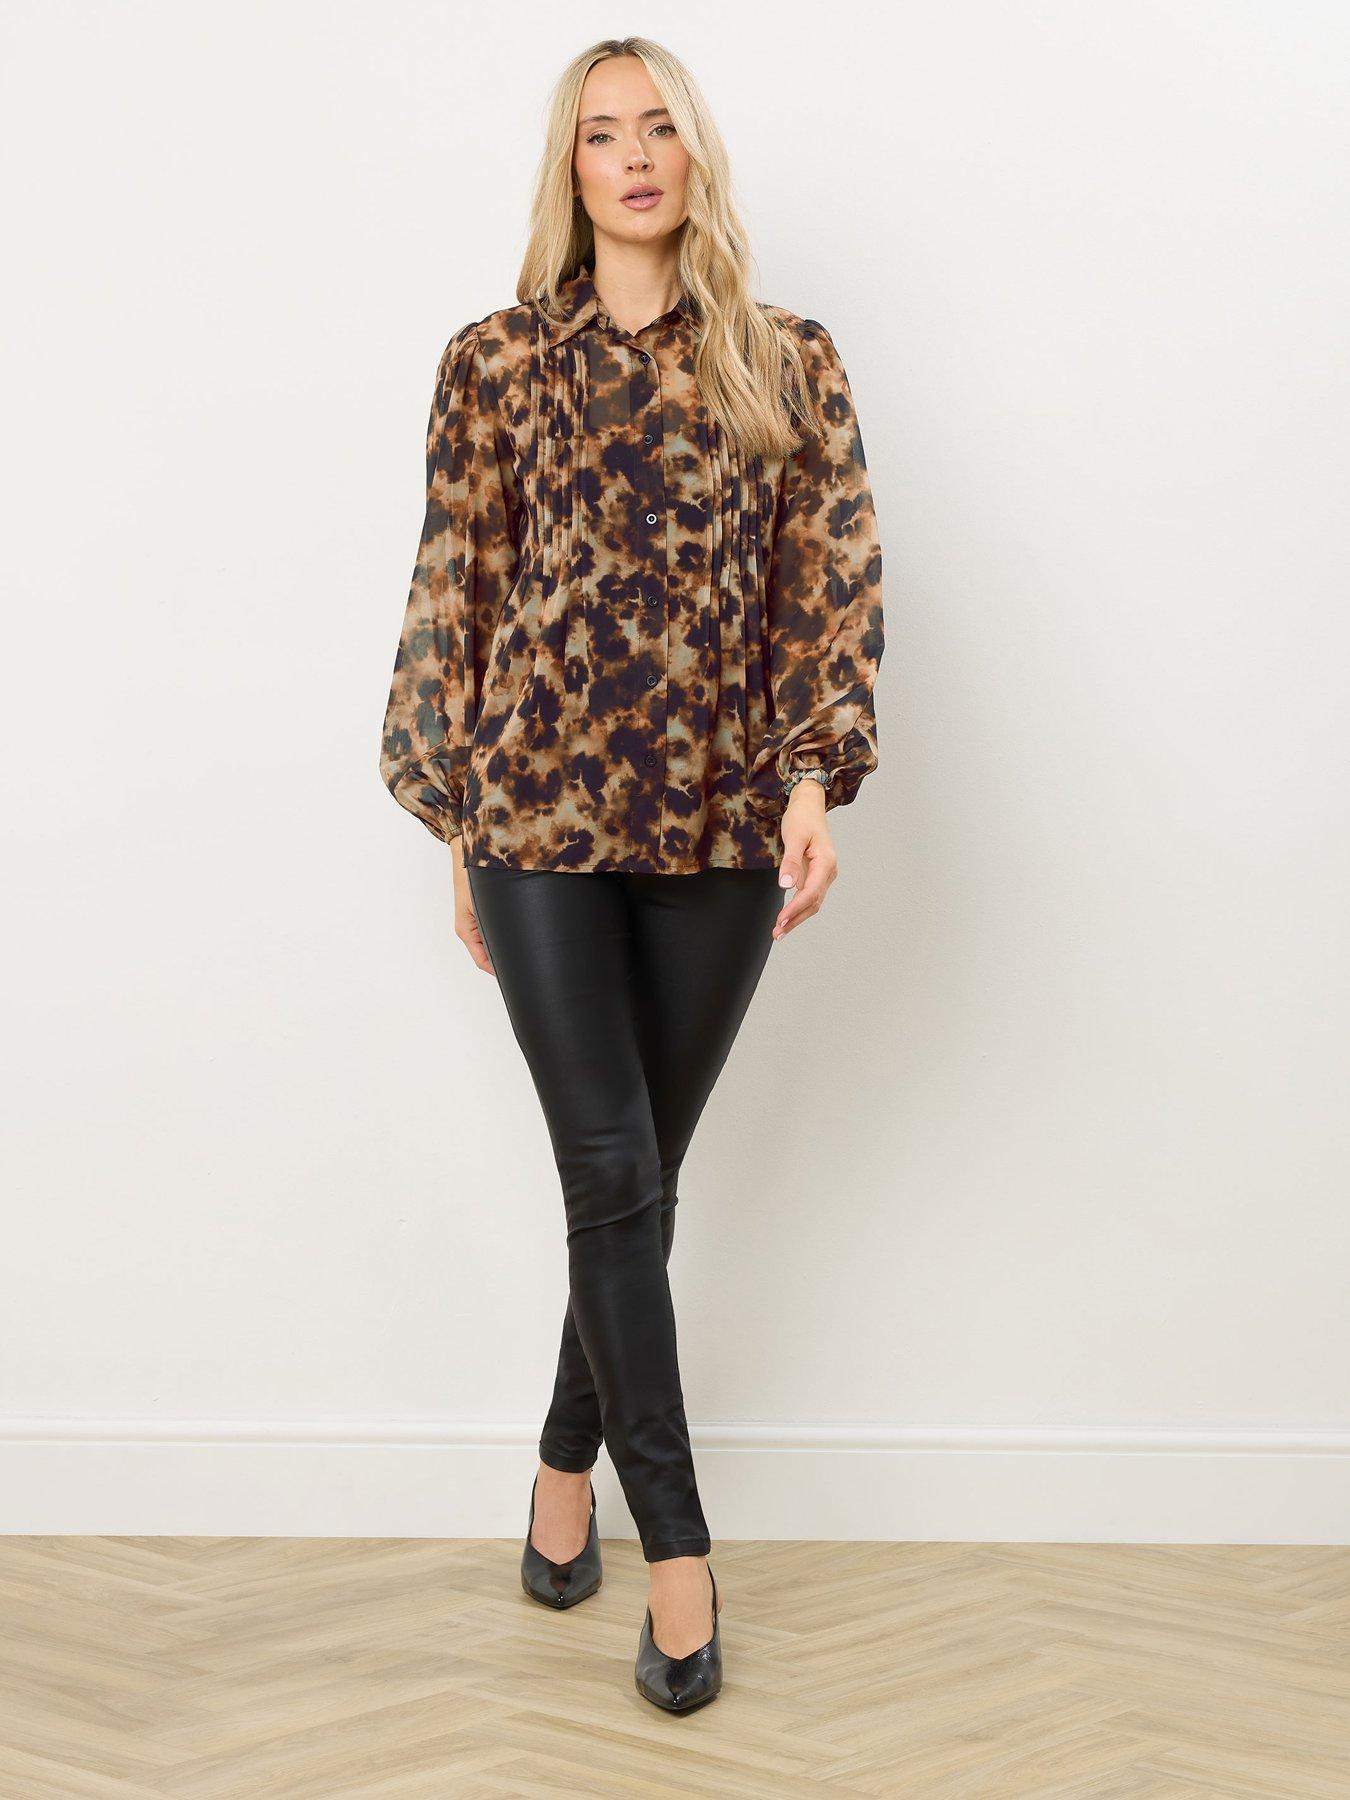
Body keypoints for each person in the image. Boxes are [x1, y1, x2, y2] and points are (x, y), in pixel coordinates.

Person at [378, 34, 885, 1713]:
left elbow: (829, 578)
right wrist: (454, 822)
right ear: (572, 169)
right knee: (609, 1174)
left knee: (639, 1184)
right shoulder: (495, 362)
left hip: (722, 825)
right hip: (534, 821)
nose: (636, 155)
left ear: (694, 155)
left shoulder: (785, 359)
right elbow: (453, 588)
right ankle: (678, 1559)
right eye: (603, 134)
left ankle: (557, 1470)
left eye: (659, 126)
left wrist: (812, 780)